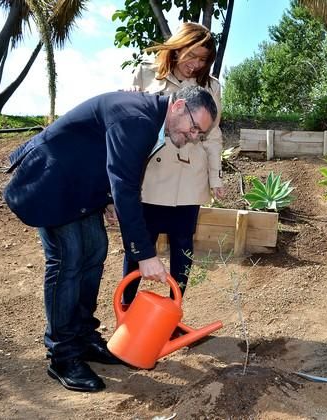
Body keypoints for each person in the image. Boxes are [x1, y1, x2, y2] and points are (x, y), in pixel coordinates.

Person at [3, 85, 217, 393]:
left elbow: (112, 161)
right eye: (195, 128)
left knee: (96, 250)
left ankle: (85, 337)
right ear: (178, 106)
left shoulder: (154, 120)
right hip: (50, 183)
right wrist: (144, 254)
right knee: (69, 259)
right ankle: (62, 355)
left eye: (201, 134)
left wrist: (108, 198)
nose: (194, 136)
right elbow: (125, 185)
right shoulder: (137, 118)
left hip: (80, 188)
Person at [121, 22, 224, 304]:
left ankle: (173, 311)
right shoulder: (145, 73)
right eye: (192, 55)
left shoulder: (210, 87)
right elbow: (125, 127)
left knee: (183, 248)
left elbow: (213, 134)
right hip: (150, 180)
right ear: (177, 48)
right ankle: (126, 308)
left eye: (203, 60)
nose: (196, 64)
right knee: (138, 248)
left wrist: (215, 177)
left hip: (189, 180)